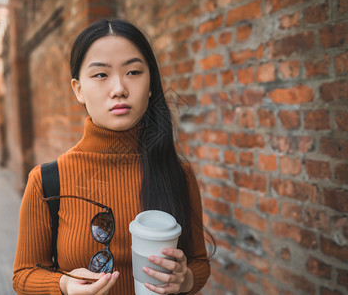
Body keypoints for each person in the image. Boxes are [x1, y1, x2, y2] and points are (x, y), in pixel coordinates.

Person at [13, 19, 212, 295]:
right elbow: (23, 275)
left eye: (133, 72)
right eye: (101, 75)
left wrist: (186, 279)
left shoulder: (177, 173)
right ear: (78, 89)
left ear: (151, 84)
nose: (119, 88)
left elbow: (199, 262)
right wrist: (64, 284)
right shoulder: (46, 181)